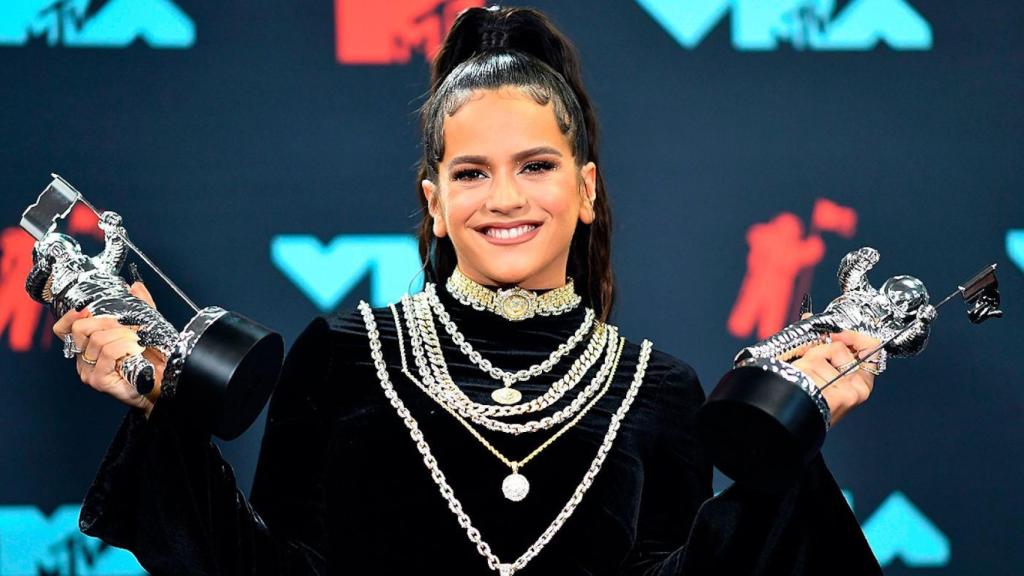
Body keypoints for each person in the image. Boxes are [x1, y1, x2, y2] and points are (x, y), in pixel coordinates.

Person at [52, 6, 882, 575]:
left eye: (537, 166)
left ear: (586, 189)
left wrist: (790, 436)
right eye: (472, 172)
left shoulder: (659, 389)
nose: (507, 199)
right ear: (436, 202)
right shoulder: (342, 358)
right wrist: (161, 401)